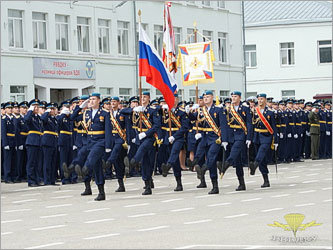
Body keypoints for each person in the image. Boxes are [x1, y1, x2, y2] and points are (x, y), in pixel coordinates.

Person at [189, 90, 228, 194]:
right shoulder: (201, 110)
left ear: (212, 98)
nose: (205, 99)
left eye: (207, 97)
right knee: (199, 155)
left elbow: (223, 125)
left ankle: (214, 184)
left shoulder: (218, 110)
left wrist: (224, 140)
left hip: (215, 138)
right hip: (204, 137)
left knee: (211, 158)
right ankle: (198, 169)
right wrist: (188, 112)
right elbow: (193, 119)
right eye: (204, 97)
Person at [126, 91, 161, 195]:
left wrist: (145, 134)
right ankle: (147, 183)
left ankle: (134, 161)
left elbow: (156, 126)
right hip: (140, 138)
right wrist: (133, 109)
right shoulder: (137, 110)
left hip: (150, 138)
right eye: (141, 97)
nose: (143, 99)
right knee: (146, 162)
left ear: (149, 98)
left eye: (145, 97)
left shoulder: (153, 110)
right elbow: (122, 111)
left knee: (145, 155)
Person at [220, 91, 253, 191]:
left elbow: (249, 124)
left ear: (239, 97)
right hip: (231, 135)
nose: (233, 98)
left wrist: (249, 137)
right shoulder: (227, 109)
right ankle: (241, 183)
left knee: (235, 150)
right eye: (232, 96)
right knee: (238, 161)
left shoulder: (245, 109)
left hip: (241, 134)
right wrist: (224, 139)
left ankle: (227, 163)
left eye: (235, 96)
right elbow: (224, 125)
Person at [161, 94, 190, 192]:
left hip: (178, 137)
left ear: (177, 100)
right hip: (168, 137)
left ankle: (167, 166)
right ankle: (179, 183)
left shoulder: (181, 112)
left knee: (175, 152)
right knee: (175, 162)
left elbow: (185, 127)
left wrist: (174, 136)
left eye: (174, 99)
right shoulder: (165, 111)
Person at [249, 94, 278, 188]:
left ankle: (255, 165)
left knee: (262, 151)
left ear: (265, 100)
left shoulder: (270, 112)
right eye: (259, 99)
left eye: (262, 99)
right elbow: (251, 126)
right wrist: (250, 138)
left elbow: (274, 127)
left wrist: (276, 140)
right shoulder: (254, 111)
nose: (260, 101)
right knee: (263, 159)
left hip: (266, 136)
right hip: (257, 136)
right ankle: (266, 180)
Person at [106, 96, 128, 192]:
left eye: (115, 101)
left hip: (121, 139)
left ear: (118, 103)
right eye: (112, 102)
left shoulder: (122, 113)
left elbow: (127, 126)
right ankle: (121, 184)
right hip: (112, 139)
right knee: (118, 163)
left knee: (117, 158)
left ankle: (108, 162)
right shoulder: (108, 114)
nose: (113, 103)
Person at [24, 99, 43, 187]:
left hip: (38, 141)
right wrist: (30, 111)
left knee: (37, 162)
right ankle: (31, 181)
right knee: (31, 162)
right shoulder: (30, 116)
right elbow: (26, 120)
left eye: (37, 106)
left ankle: (36, 179)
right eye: (34, 106)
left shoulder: (37, 117)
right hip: (32, 141)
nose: (36, 108)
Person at [41, 103, 58, 185]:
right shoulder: (46, 118)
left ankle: (52, 180)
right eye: (50, 109)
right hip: (47, 142)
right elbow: (42, 120)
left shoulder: (54, 119)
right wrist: (46, 112)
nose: (52, 110)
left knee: (53, 162)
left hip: (54, 142)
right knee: (47, 162)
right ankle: (47, 180)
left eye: (53, 109)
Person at [1, 102, 16, 183]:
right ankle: (7, 177)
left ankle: (12, 176)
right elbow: (3, 132)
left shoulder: (13, 118)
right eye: (8, 108)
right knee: (7, 161)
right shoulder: (4, 119)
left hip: (13, 141)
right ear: (5, 109)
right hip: (8, 142)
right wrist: (5, 144)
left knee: (13, 160)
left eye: (11, 108)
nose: (10, 109)